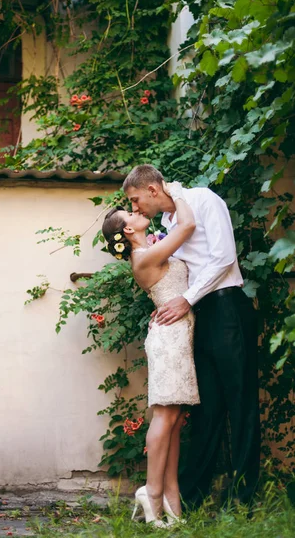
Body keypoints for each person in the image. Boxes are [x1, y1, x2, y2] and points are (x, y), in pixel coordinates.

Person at [123, 164, 260, 508]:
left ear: (153, 190)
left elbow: (224, 256)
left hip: (227, 307)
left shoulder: (202, 199)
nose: (136, 208)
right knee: (207, 410)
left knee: (240, 403)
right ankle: (192, 496)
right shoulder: (170, 225)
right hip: (199, 316)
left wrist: (185, 299)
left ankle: (244, 500)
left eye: (136, 200)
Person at [102, 181, 200, 527]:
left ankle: (171, 498)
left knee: (174, 420)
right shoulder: (143, 257)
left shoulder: (152, 247)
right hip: (169, 340)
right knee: (164, 416)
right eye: (130, 211)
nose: (137, 209)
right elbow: (187, 225)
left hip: (178, 334)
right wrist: (177, 192)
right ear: (128, 229)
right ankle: (152, 492)